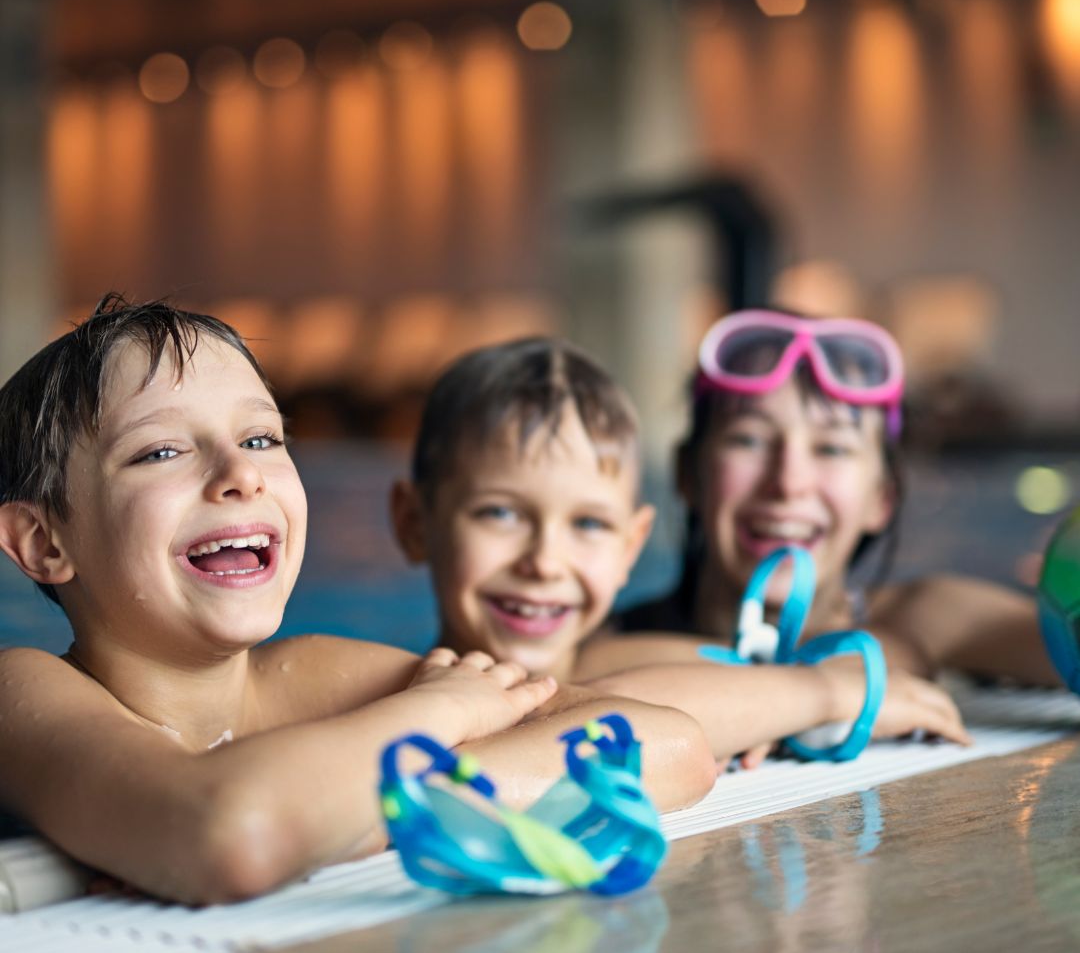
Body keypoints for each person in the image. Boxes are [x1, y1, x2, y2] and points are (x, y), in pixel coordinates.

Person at [0, 295, 719, 905]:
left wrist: (364, 804)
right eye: (161, 451)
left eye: (261, 437)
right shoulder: (23, 693)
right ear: (42, 542)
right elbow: (231, 833)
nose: (240, 475)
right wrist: (439, 716)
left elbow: (671, 748)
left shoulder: (305, 676)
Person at [389, 336, 970, 768]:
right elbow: (591, 713)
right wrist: (819, 697)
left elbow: (822, 665)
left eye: (588, 523)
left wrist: (794, 700)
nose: (544, 561)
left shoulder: (637, 658)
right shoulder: (370, 682)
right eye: (501, 513)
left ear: (630, 546)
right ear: (414, 523)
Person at [581, 308, 1059, 691]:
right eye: (749, 440)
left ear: (882, 499)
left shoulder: (928, 619)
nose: (789, 483)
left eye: (832, 448)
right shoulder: (604, 646)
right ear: (689, 475)